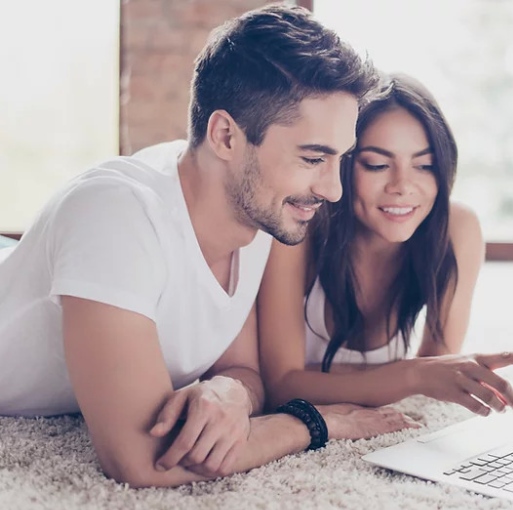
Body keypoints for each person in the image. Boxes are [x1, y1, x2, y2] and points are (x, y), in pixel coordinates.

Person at [0, 5, 416, 488]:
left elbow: (241, 368)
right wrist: (315, 422)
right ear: (225, 136)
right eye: (313, 158)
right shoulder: (113, 214)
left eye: (338, 160)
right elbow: (143, 459)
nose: (333, 190)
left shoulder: (260, 214)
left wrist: (231, 392)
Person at [258, 73, 513, 415]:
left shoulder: (456, 229)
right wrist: (411, 373)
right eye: (377, 165)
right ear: (342, 166)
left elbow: (438, 371)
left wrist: (424, 374)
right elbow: (281, 386)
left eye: (424, 165)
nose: (403, 186)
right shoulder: (299, 227)